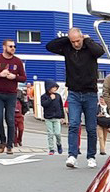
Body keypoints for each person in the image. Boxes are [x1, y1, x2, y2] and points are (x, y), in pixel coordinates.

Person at [45, 27, 106, 169]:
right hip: (74, 93)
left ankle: (91, 156)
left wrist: (87, 40)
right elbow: (50, 46)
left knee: (91, 127)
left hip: (90, 93)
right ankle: (72, 155)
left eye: (78, 41)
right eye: (73, 41)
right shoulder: (68, 48)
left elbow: (100, 51)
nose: (76, 44)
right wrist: (67, 39)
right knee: (73, 124)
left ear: (82, 38)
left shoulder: (90, 48)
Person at [0, 39, 27, 154]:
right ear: (4, 47)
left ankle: (9, 145)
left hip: (11, 94)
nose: (13, 48)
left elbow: (23, 78)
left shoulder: (17, 61)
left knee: (10, 120)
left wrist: (15, 77)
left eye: (14, 46)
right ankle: (2, 141)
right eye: (10, 46)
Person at [41, 81, 65, 154]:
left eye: (56, 87)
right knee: (50, 134)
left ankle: (59, 144)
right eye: (53, 87)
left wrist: (62, 117)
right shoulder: (44, 96)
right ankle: (51, 149)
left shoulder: (58, 96)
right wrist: (50, 99)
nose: (55, 89)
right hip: (48, 118)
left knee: (58, 133)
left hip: (57, 117)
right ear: (49, 88)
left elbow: (61, 106)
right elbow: (43, 104)